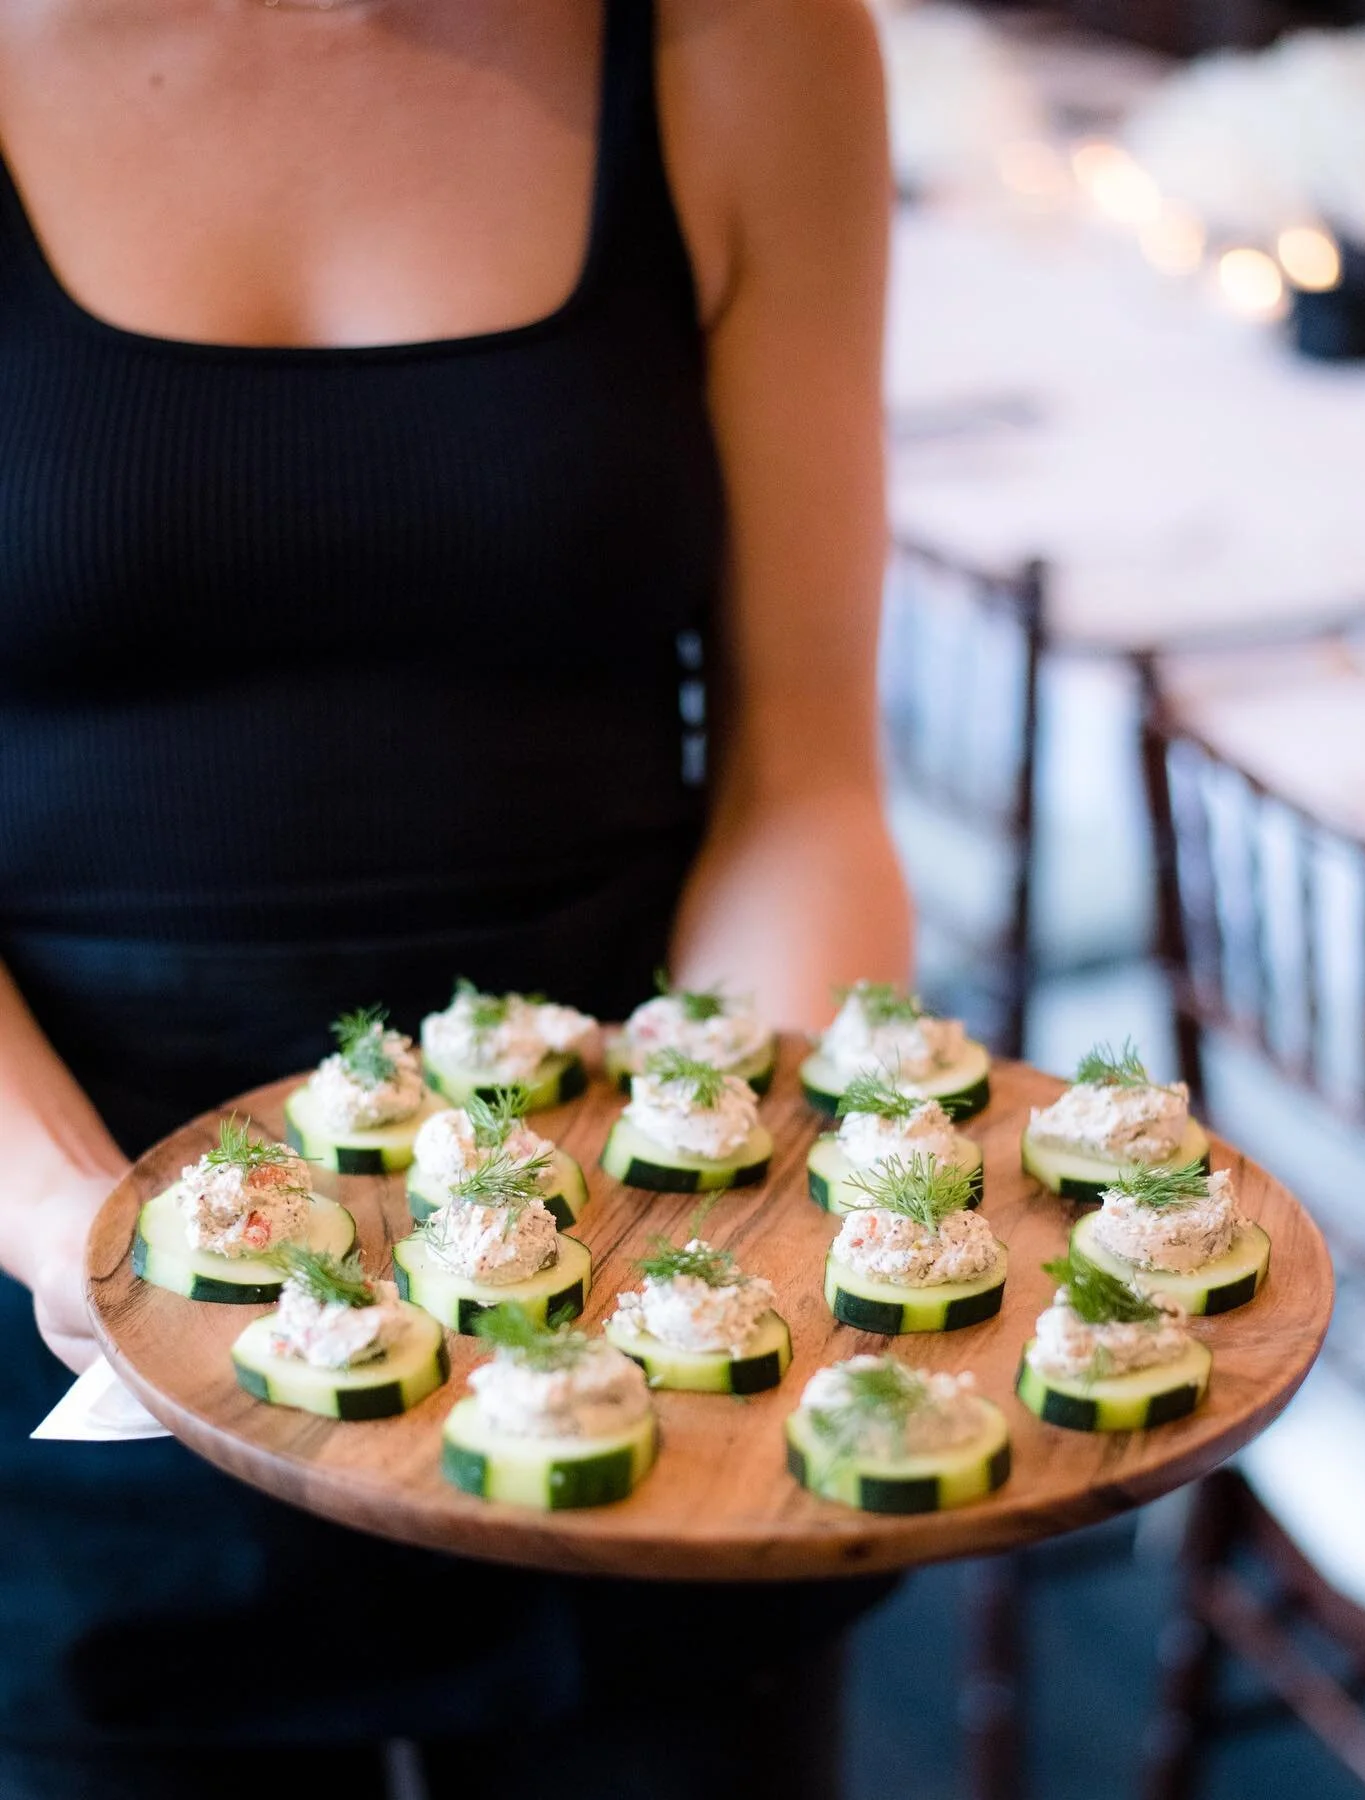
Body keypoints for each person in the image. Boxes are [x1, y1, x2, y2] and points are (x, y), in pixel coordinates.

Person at [0, 0, 911, 1793]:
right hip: (52, 1251)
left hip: (638, 1268)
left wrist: (723, 1208)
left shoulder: (750, 42)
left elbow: (804, 772)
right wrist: (78, 1231)